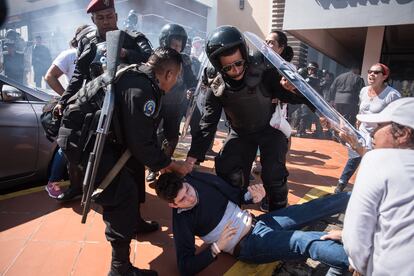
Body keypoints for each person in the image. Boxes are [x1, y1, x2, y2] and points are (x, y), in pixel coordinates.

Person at [183, 25, 315, 212]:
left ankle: (278, 210)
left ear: (244, 55)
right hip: (240, 131)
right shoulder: (217, 84)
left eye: (239, 63)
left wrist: (292, 89)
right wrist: (192, 158)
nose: (236, 70)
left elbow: (289, 97)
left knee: (273, 176)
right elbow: (208, 122)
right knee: (229, 172)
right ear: (219, 66)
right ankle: (232, 211)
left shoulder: (262, 70)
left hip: (269, 129)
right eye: (228, 67)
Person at [94, 47, 189, 276]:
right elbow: (141, 143)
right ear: (167, 74)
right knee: (121, 201)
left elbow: (141, 135)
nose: (175, 82)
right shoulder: (144, 90)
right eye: (176, 77)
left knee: (134, 180)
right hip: (102, 151)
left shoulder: (138, 76)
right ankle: (120, 270)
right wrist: (172, 164)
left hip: (114, 146)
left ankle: (135, 222)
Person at [155, 171, 351, 276]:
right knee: (302, 240)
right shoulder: (182, 220)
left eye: (187, 190)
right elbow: (185, 267)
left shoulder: (196, 179)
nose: (190, 198)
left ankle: (362, 198)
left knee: (311, 208)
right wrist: (216, 248)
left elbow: (234, 194)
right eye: (182, 200)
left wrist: (252, 195)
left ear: (185, 181)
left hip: (260, 222)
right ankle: (368, 264)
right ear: (173, 204)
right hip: (249, 246)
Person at [54, 0, 153, 202]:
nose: (106, 21)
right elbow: (78, 75)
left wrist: (127, 54)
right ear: (93, 19)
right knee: (77, 142)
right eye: (100, 18)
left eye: (109, 16)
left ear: (116, 17)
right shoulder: (87, 42)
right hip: (96, 105)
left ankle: (135, 208)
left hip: (126, 108)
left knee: (132, 155)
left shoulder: (132, 38)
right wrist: (64, 101)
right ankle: (78, 187)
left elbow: (151, 61)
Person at [321, 97, 414, 275]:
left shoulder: (377, 160)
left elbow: (356, 242)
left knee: (308, 243)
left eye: (379, 126)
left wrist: (359, 264)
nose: (373, 133)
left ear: (403, 134)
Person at [335, 63, 401, 193]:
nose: (371, 74)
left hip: (378, 139)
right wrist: (357, 124)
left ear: (385, 76)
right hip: (362, 133)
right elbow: (362, 111)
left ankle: (367, 191)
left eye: (376, 72)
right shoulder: (364, 91)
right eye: (370, 71)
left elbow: (397, 120)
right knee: (353, 158)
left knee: (371, 165)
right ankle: (341, 185)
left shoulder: (392, 95)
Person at [146, 23, 197, 182]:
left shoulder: (185, 60)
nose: (177, 48)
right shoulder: (157, 58)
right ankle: (153, 168)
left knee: (172, 138)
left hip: (176, 105)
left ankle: (164, 166)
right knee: (154, 137)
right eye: (174, 44)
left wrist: (191, 89)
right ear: (164, 43)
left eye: (180, 45)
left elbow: (191, 80)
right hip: (157, 104)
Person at [45, 25, 92, 95]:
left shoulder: (100, 51)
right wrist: (66, 97)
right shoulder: (70, 54)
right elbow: (50, 76)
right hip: (78, 100)